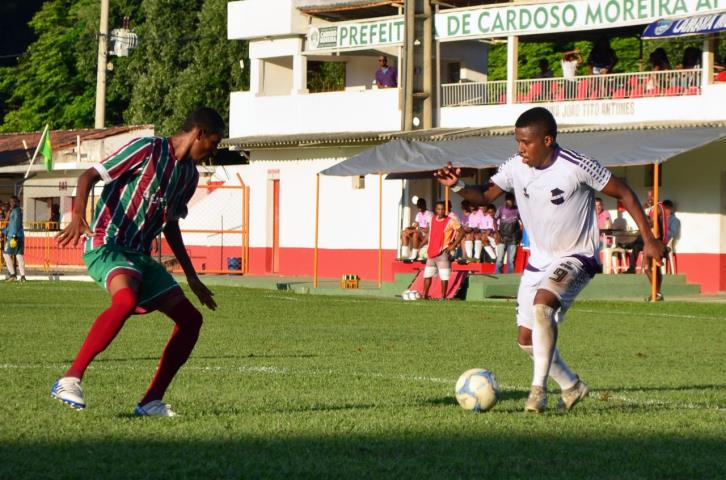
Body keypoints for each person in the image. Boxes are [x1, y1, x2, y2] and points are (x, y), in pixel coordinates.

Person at [435, 107, 666, 413]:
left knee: (544, 306)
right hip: (538, 260)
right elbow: (486, 195)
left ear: (546, 141)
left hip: (577, 256)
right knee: (526, 340)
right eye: (517, 141)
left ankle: (537, 391)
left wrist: (649, 239)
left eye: (526, 142)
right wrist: (459, 186)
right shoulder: (516, 166)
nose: (520, 149)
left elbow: (623, 192)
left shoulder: (577, 165)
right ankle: (572, 386)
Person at [50, 107, 223, 416]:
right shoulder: (147, 149)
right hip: (108, 242)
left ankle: (150, 401)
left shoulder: (189, 175)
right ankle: (70, 378)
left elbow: (170, 224)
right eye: (214, 141)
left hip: (140, 256)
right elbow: (88, 175)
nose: (214, 150)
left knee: (191, 321)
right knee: (126, 298)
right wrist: (78, 216)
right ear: (199, 134)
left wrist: (192, 276)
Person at [422, 201, 462, 300]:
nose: (441, 211)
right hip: (431, 252)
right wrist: (422, 243)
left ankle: (443, 296)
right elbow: (430, 234)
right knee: (427, 275)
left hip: (443, 252)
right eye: (439, 209)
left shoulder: (451, 221)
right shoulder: (431, 219)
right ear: (435, 210)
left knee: (444, 276)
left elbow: (462, 232)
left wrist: (453, 245)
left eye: (443, 209)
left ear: (446, 210)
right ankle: (425, 296)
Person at [2, 195, 27, 282]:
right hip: (19, 236)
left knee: (5, 254)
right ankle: (23, 276)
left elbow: (15, 225)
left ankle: (12, 274)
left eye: (13, 201)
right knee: (19, 256)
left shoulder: (15, 212)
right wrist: (4, 231)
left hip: (14, 237)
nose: (11, 203)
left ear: (16, 202)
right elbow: (12, 225)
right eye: (10, 201)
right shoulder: (18, 211)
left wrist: (13, 236)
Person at [495, 192, 520, 273]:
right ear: (505, 201)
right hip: (502, 237)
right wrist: (497, 233)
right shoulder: (501, 209)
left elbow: (523, 222)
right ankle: (498, 275)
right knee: (499, 259)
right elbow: (494, 220)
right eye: (508, 201)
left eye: (512, 201)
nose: (510, 202)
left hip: (513, 238)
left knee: (511, 260)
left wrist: (520, 236)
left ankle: (510, 277)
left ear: (514, 201)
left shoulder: (517, 210)